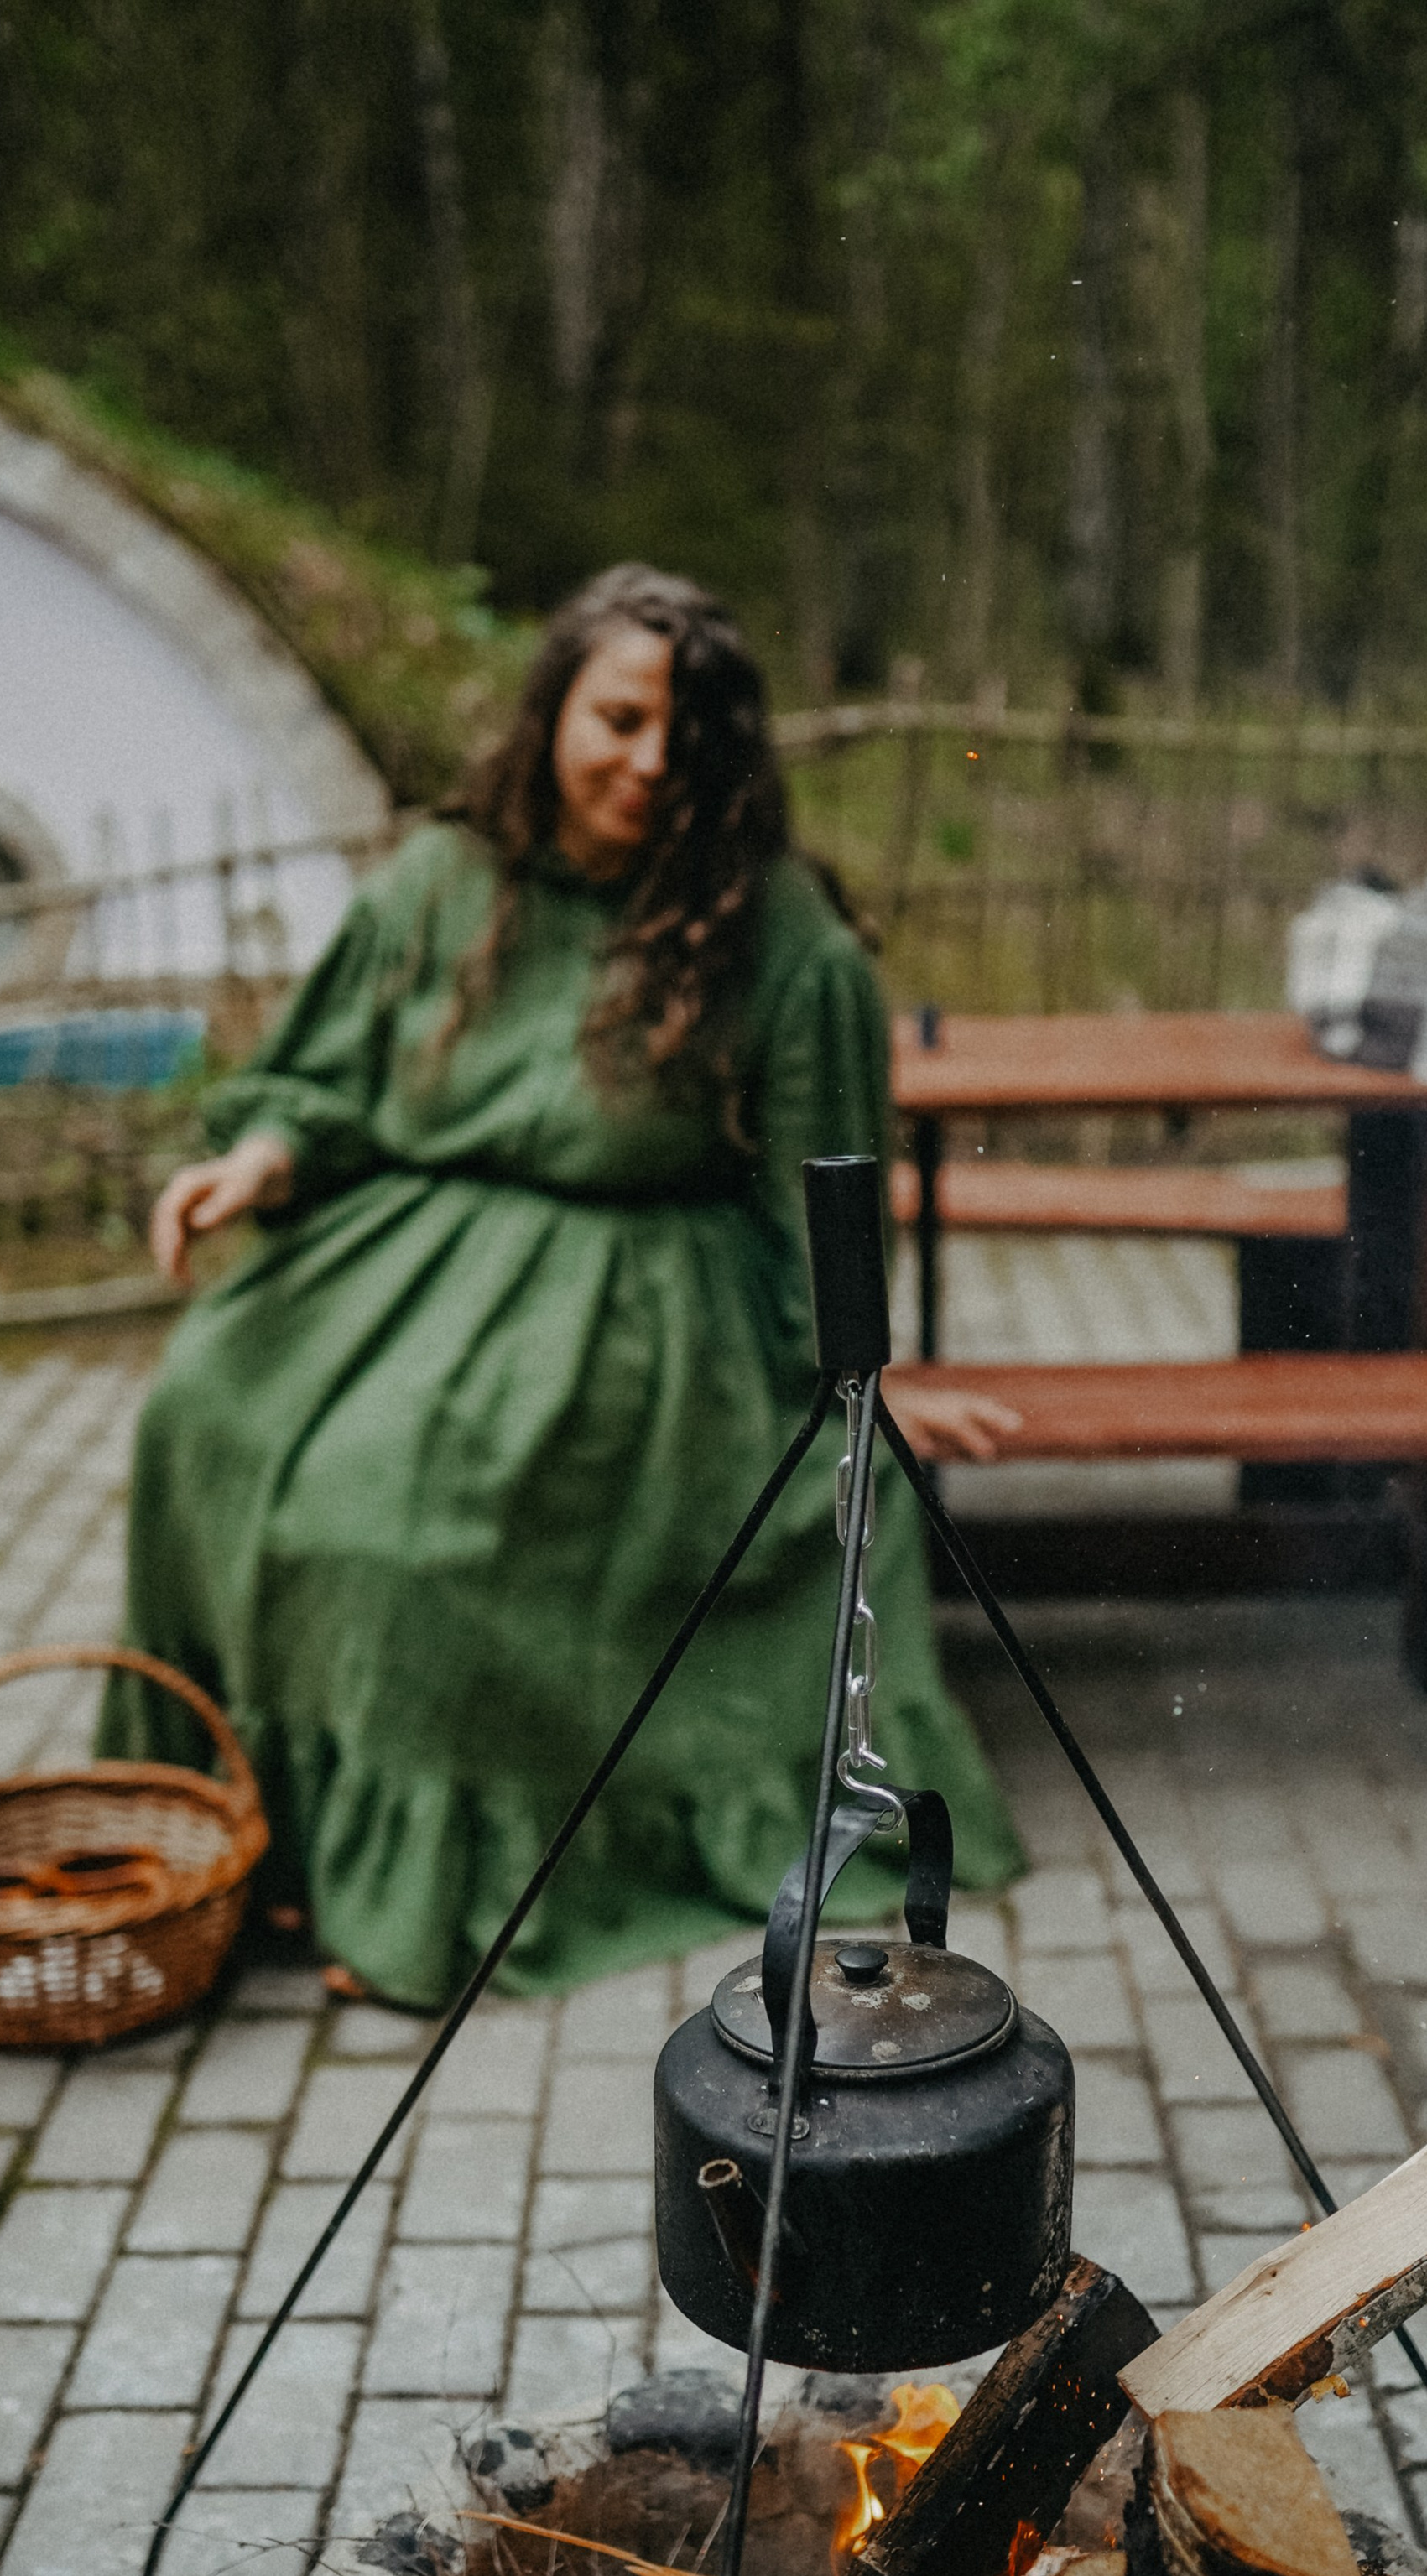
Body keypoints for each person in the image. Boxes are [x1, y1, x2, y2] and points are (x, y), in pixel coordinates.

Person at [103, 563, 1022, 2003]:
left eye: (685, 736)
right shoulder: (442, 883)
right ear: (550, 714)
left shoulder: (780, 941)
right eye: (616, 719)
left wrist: (864, 1391)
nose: (648, 764)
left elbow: (820, 1212)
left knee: (414, 1533)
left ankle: (419, 1895)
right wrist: (264, 1160)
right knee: (202, 1416)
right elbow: (328, 1082)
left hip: (637, 1314)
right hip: (397, 1265)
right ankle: (249, 1841)